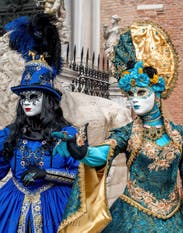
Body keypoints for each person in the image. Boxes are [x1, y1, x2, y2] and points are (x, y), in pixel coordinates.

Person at [58, 22, 183, 233]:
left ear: (157, 93)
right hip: (131, 218)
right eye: (131, 94)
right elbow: (104, 153)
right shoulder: (129, 132)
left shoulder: (179, 135)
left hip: (174, 219)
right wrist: (80, 151)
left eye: (142, 93)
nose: (134, 100)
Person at [0, 14, 80, 232]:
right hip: (11, 203)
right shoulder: (10, 134)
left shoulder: (67, 135)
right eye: (24, 97)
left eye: (33, 97)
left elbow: (81, 176)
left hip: (54, 206)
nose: (27, 102)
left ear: (47, 101)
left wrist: (48, 174)